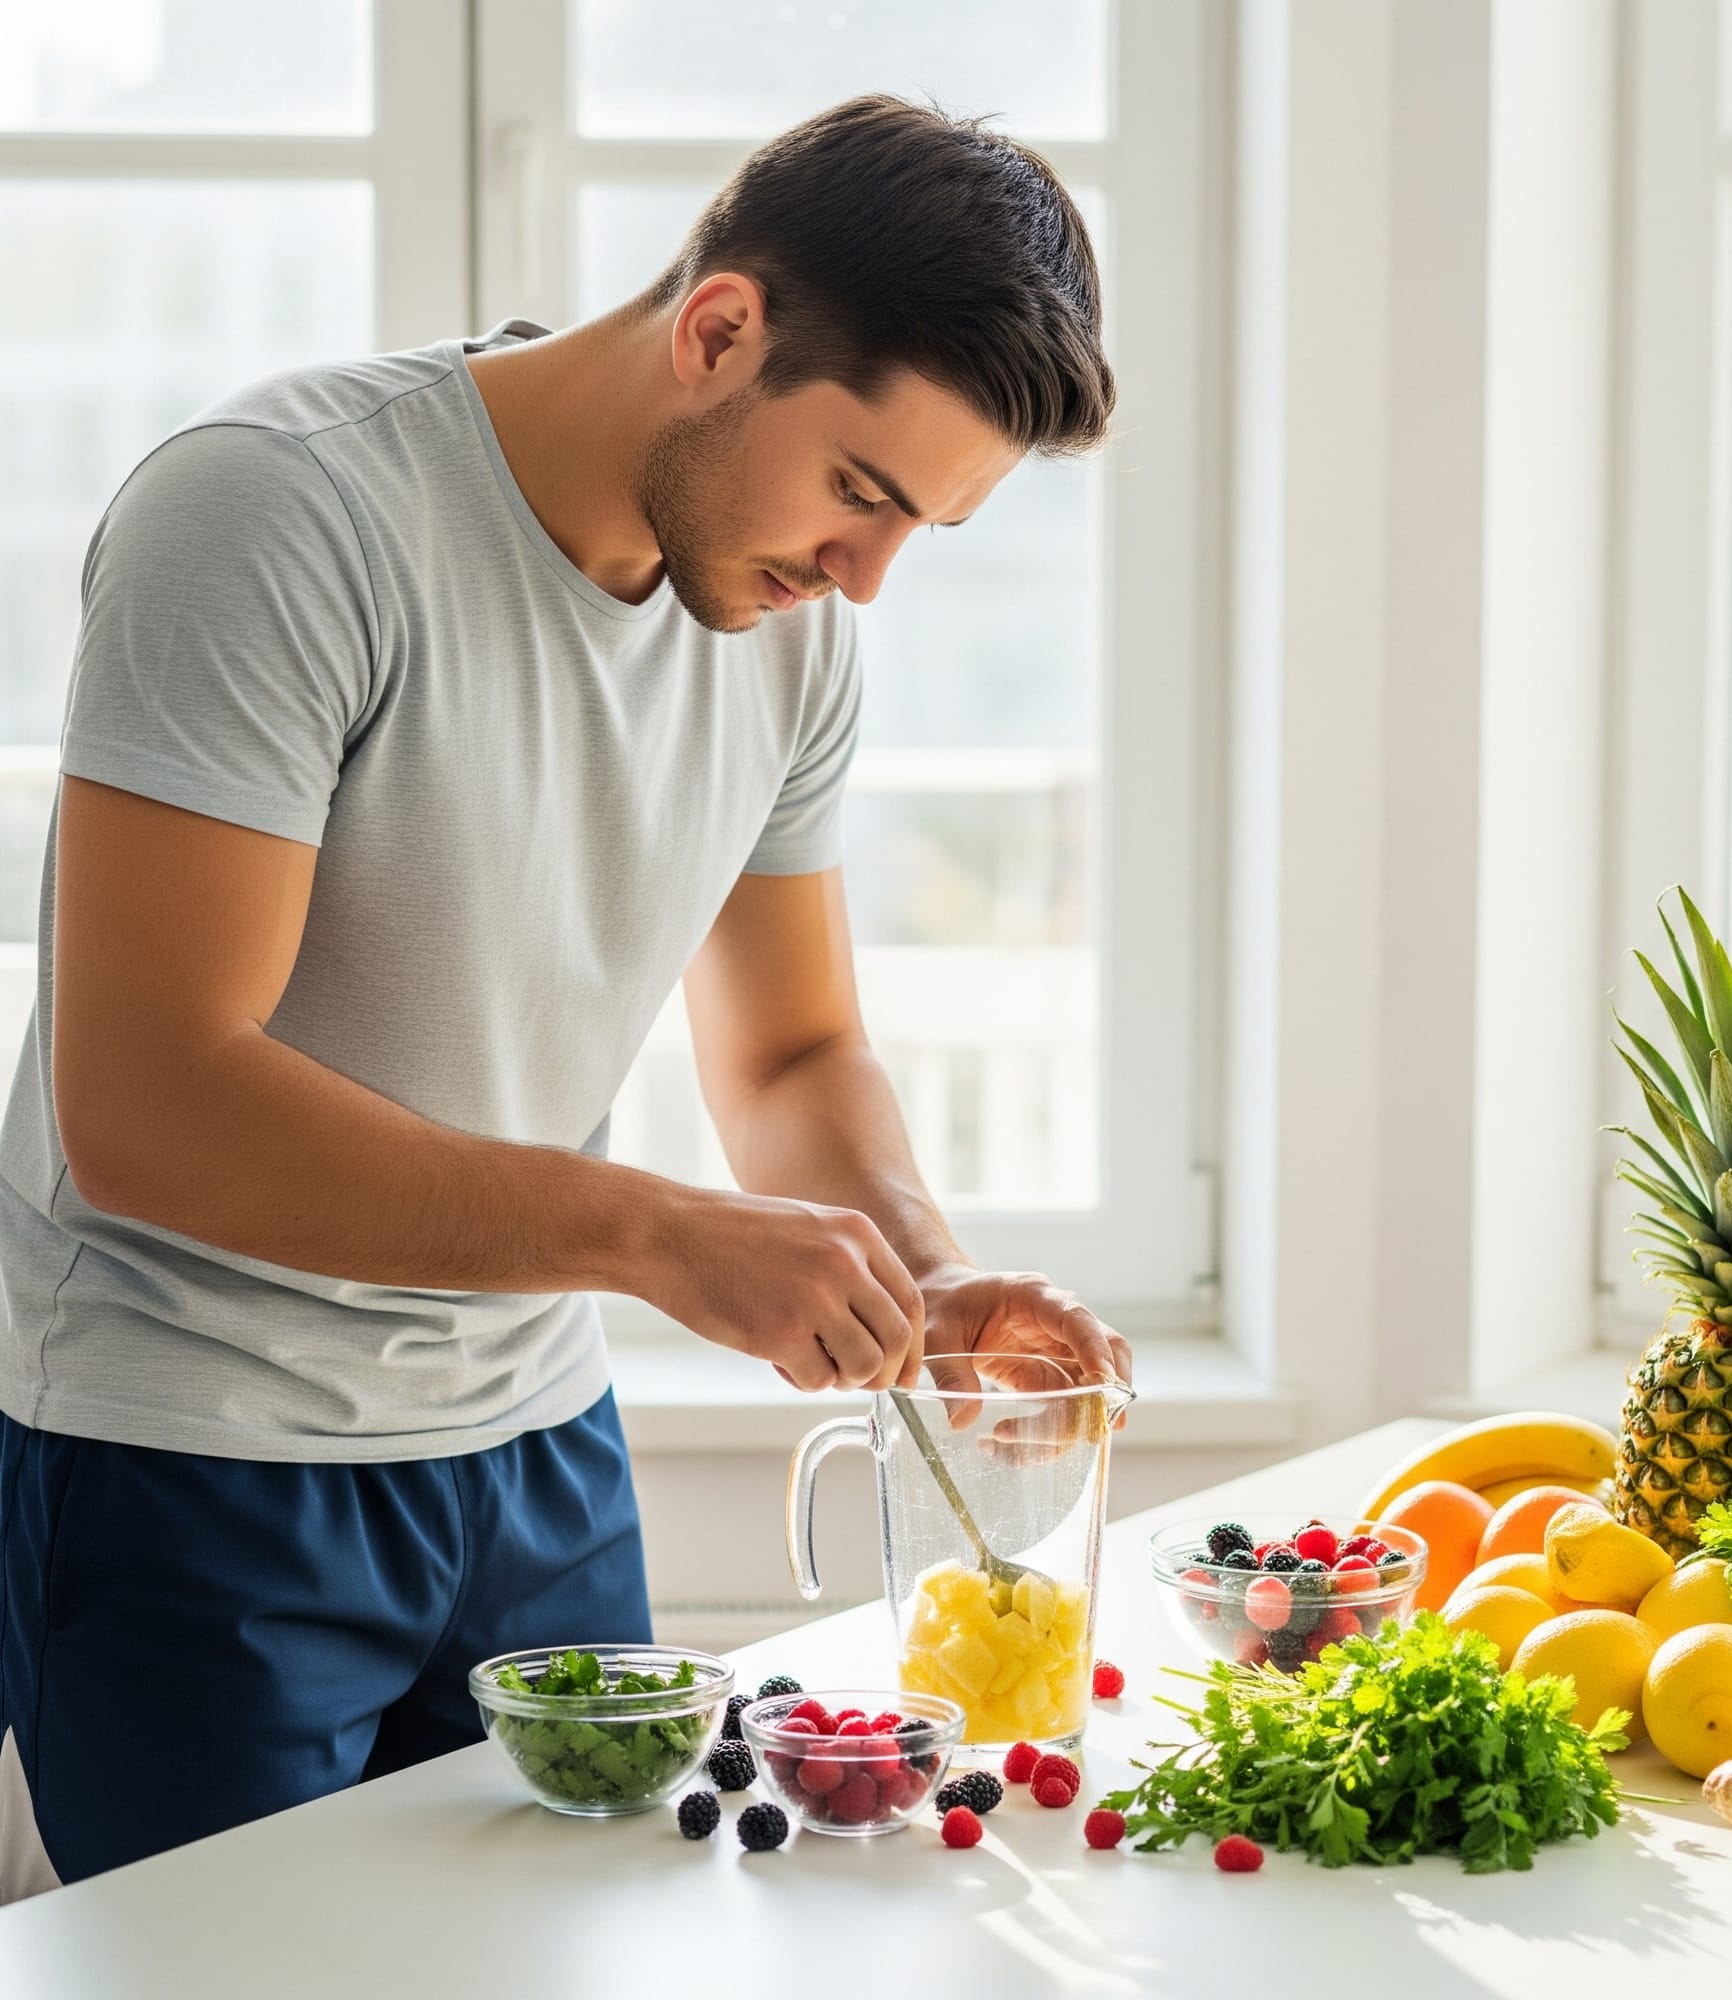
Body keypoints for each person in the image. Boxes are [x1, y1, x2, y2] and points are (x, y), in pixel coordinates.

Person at [0, 93, 1129, 1896]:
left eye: (924, 526)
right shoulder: (278, 515)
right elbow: (149, 1105)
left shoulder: (788, 631)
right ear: (720, 330)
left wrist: (922, 1276)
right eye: (861, 491)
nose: (865, 580)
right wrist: (660, 1238)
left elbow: (793, 1051)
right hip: (198, 1458)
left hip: (538, 1452)